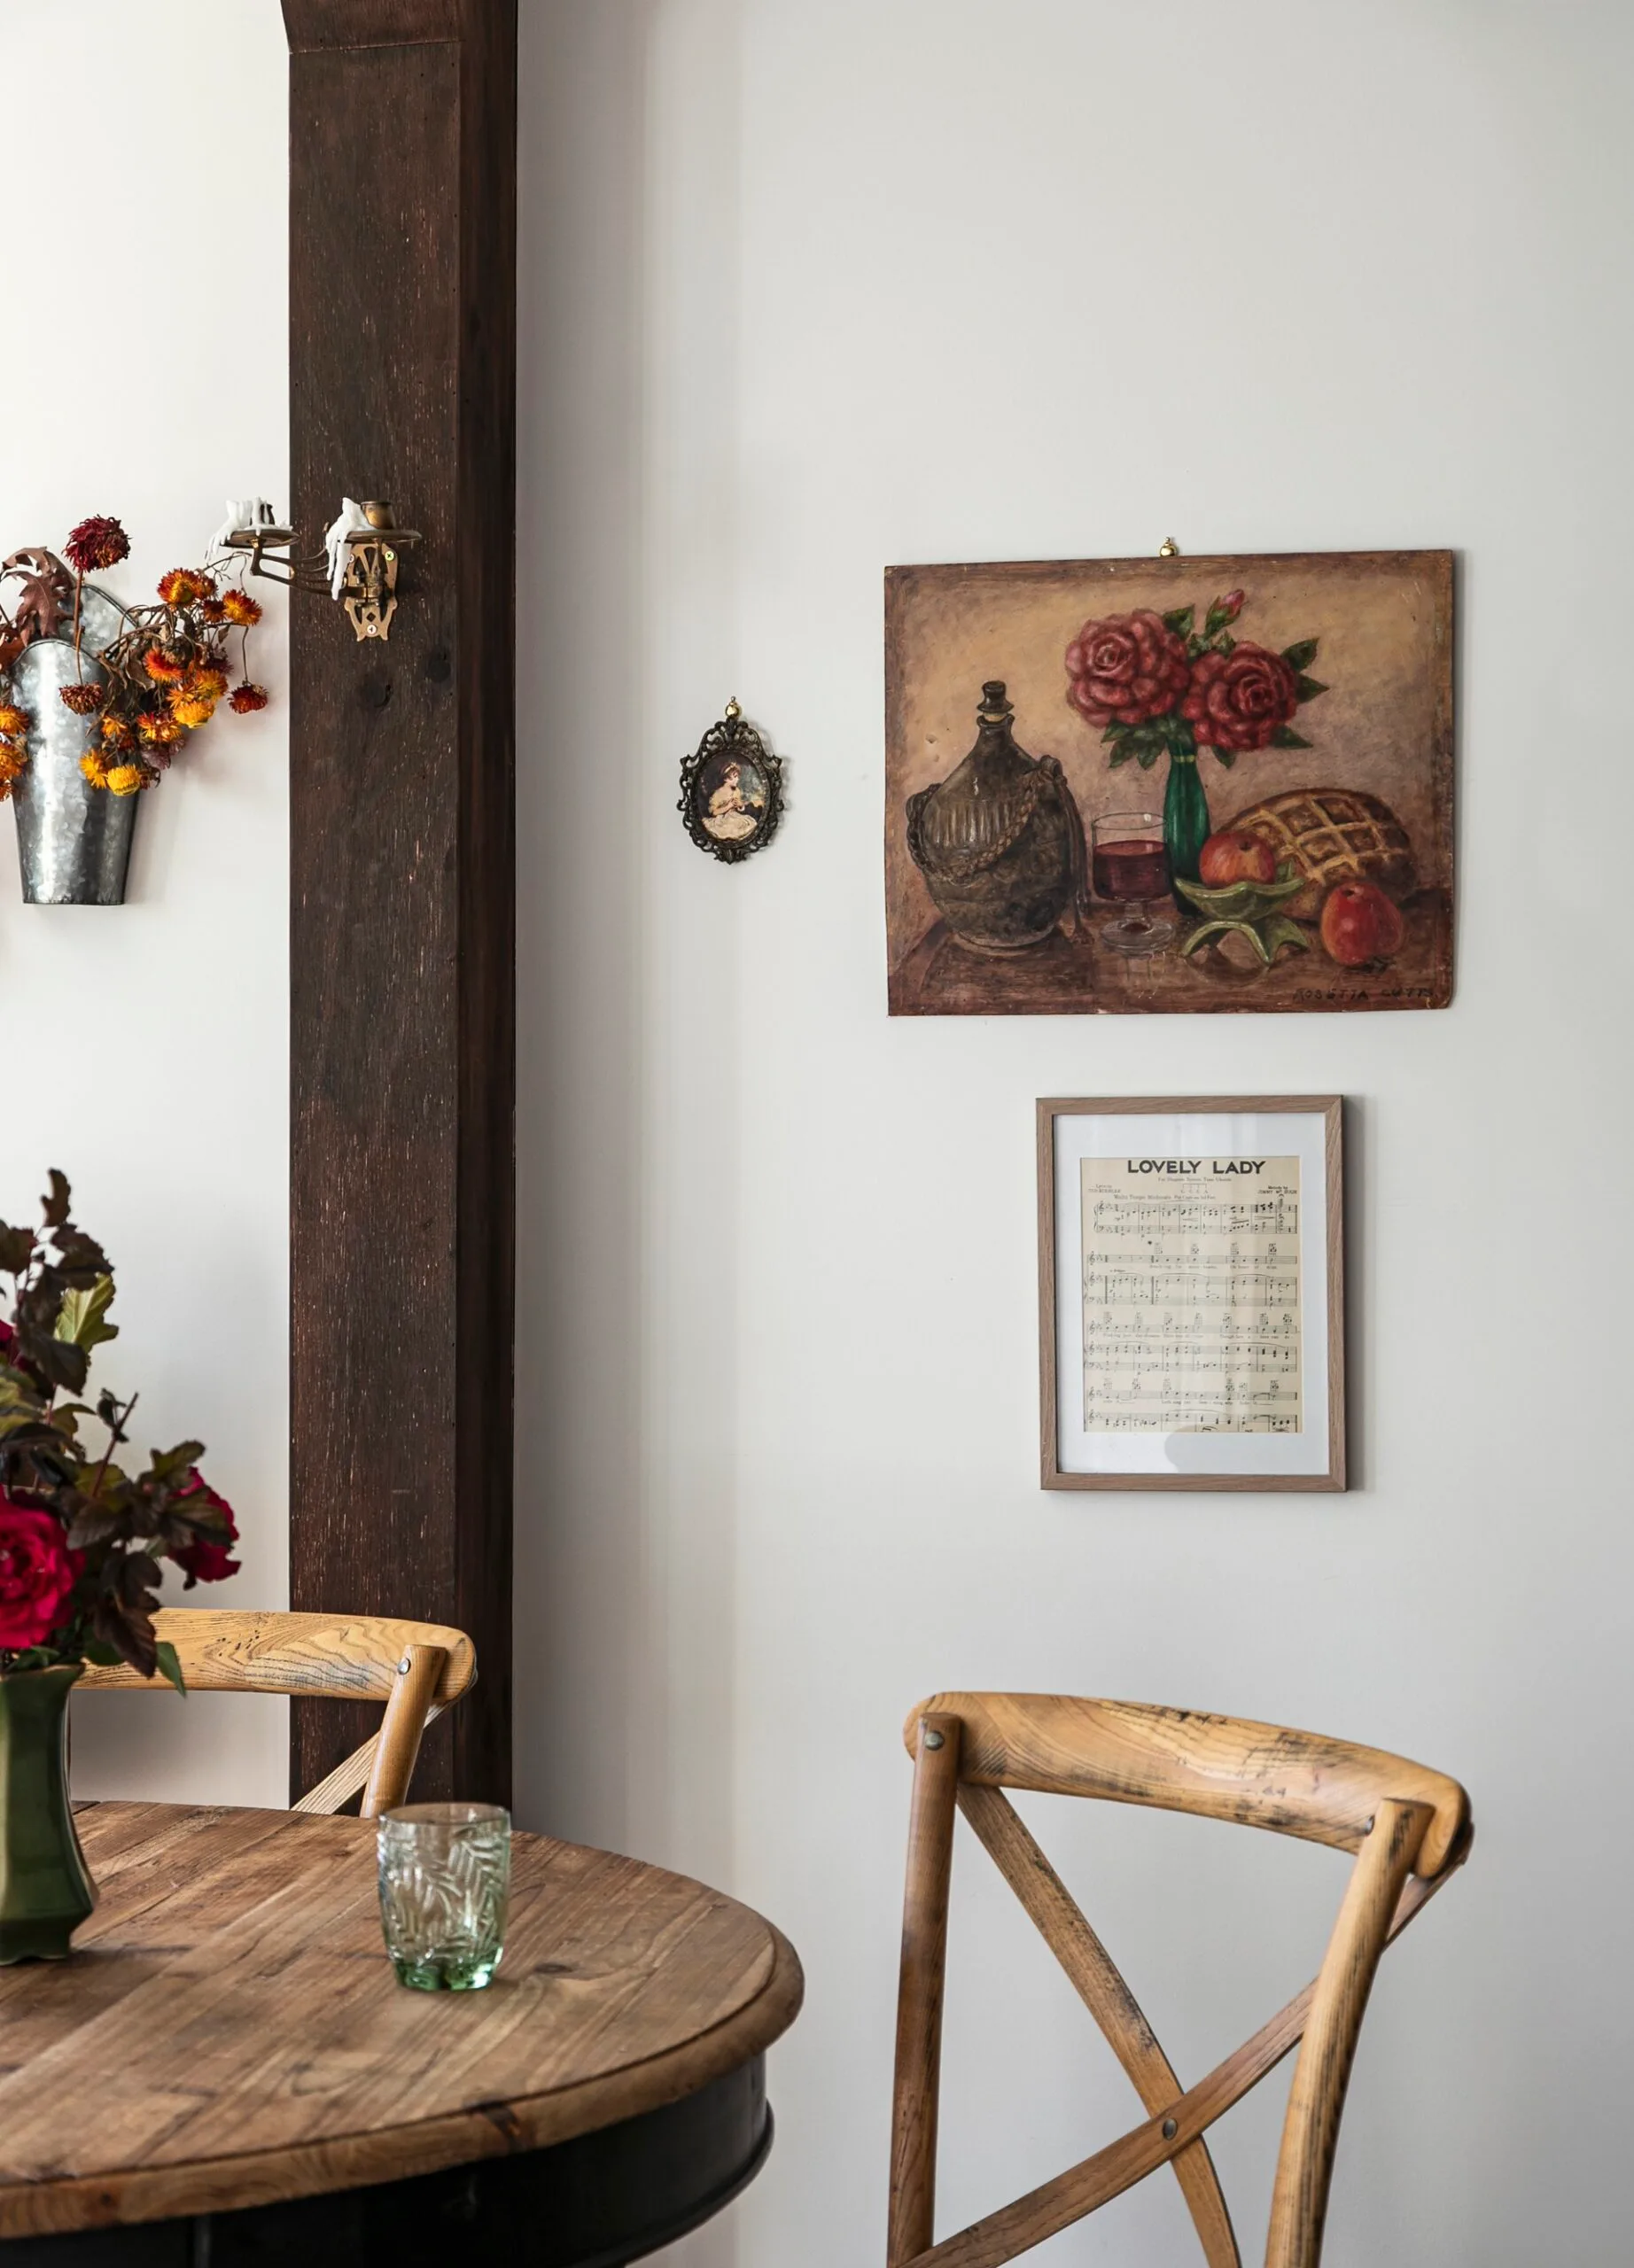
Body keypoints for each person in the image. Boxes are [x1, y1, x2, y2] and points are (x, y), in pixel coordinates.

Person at [704, 758, 764, 843]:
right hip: (723, 819)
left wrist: (739, 805)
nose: (738, 779)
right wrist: (728, 806)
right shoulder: (718, 793)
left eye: (738, 777)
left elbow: (738, 805)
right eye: (735, 777)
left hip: (735, 816)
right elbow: (714, 812)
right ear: (726, 779)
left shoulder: (737, 790)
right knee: (728, 829)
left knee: (750, 824)